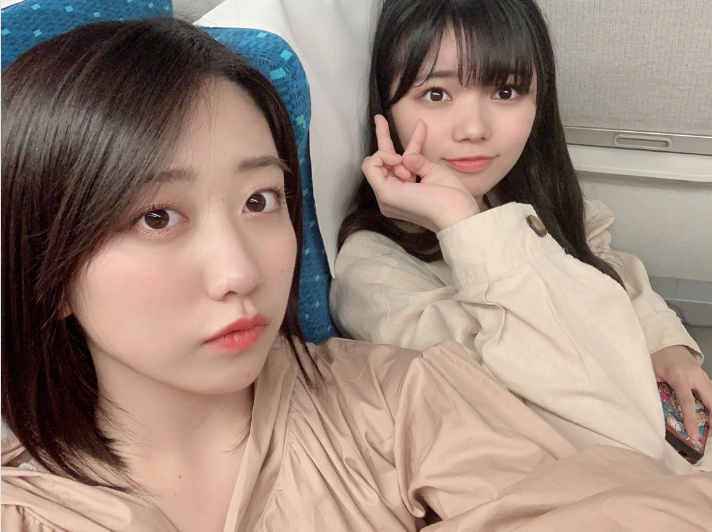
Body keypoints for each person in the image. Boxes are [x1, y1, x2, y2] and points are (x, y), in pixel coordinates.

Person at [2, 17, 712, 532]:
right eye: (157, 217)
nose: (240, 270)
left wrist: (666, 338)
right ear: (46, 265)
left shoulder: (394, 401)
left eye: (260, 200)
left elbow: (615, 485)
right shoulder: (27, 506)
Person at [330, 0, 711, 468]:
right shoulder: (374, 274)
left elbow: (601, 259)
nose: (474, 129)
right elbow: (581, 420)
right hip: (611, 474)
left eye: (505, 91)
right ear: (385, 109)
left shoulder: (523, 189)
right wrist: (463, 225)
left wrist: (663, 341)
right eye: (436, 93)